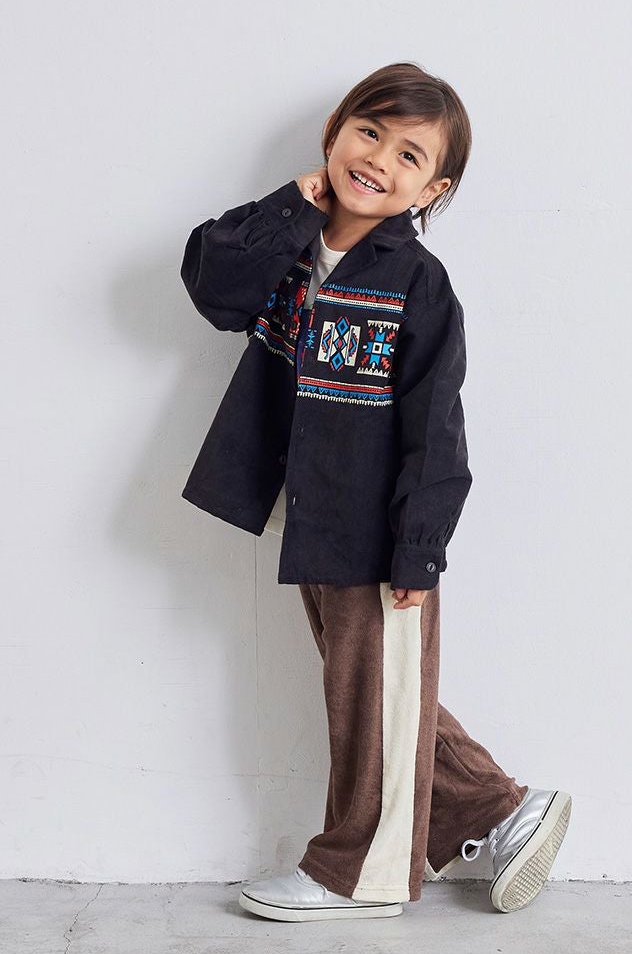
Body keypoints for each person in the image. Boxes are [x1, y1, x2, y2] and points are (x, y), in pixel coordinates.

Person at [179, 61, 572, 922]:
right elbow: (214, 287)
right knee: (371, 691)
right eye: (369, 133)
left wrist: (418, 546)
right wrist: (292, 204)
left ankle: (361, 874)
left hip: (376, 525)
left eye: (408, 155)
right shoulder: (288, 246)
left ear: (432, 190)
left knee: (373, 697)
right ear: (334, 132)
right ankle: (501, 811)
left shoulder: (417, 284)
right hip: (310, 514)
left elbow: (438, 427)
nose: (379, 161)